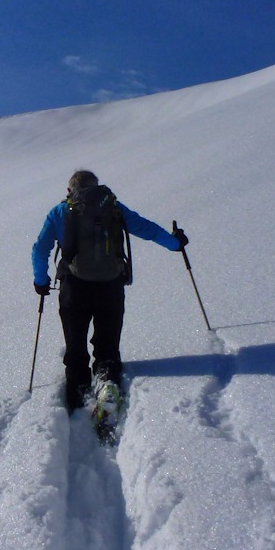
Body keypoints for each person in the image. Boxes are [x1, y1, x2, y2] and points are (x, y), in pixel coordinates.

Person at [32, 169, 189, 411]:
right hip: (110, 284)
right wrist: (175, 243)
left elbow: (40, 249)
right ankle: (107, 381)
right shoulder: (113, 207)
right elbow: (146, 229)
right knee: (107, 343)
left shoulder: (60, 211)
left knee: (75, 340)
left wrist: (41, 281)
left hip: (74, 286)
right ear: (97, 187)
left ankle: (77, 390)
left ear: (69, 190)